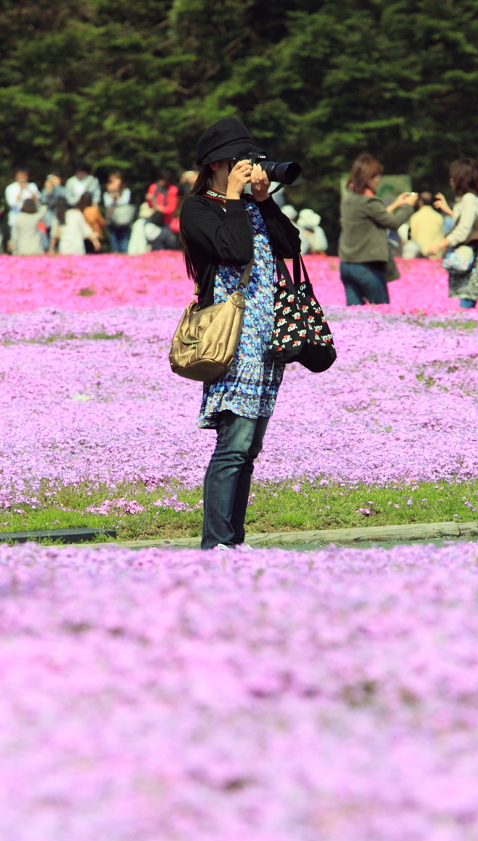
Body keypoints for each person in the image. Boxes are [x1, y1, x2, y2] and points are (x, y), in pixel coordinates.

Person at [179, 117, 301, 550]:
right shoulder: (199, 208)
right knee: (234, 444)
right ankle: (216, 544)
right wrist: (233, 196)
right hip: (232, 341)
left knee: (249, 450)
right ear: (216, 165)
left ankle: (235, 539)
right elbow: (235, 250)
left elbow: (291, 245)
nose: (247, 168)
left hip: (267, 342)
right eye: (239, 161)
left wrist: (264, 201)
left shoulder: (248, 205)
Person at [338, 153, 417, 304]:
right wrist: (408, 206)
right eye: (375, 177)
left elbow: (371, 218)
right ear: (366, 179)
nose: (378, 180)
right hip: (367, 265)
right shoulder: (369, 201)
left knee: (354, 318)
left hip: (347, 265)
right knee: (381, 312)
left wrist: (395, 205)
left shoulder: (348, 199)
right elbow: (392, 223)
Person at [429, 157, 478, 309]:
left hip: (472, 257)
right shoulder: (470, 199)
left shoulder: (469, 199)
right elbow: (467, 223)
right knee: (468, 297)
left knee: (467, 297)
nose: (451, 180)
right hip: (473, 254)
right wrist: (449, 211)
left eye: (453, 177)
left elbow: (464, 230)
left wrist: (441, 243)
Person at [103, 172, 134, 252]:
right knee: (113, 238)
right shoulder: (106, 194)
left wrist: (117, 196)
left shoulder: (126, 191)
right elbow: (107, 204)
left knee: (125, 238)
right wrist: (112, 195)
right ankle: (115, 251)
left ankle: (124, 252)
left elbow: (124, 202)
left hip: (123, 218)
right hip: (112, 219)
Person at [408, 192, 445, 258]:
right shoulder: (439, 217)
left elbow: (412, 236)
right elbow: (442, 236)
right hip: (436, 255)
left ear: (420, 202)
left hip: (420, 256)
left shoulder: (415, 217)